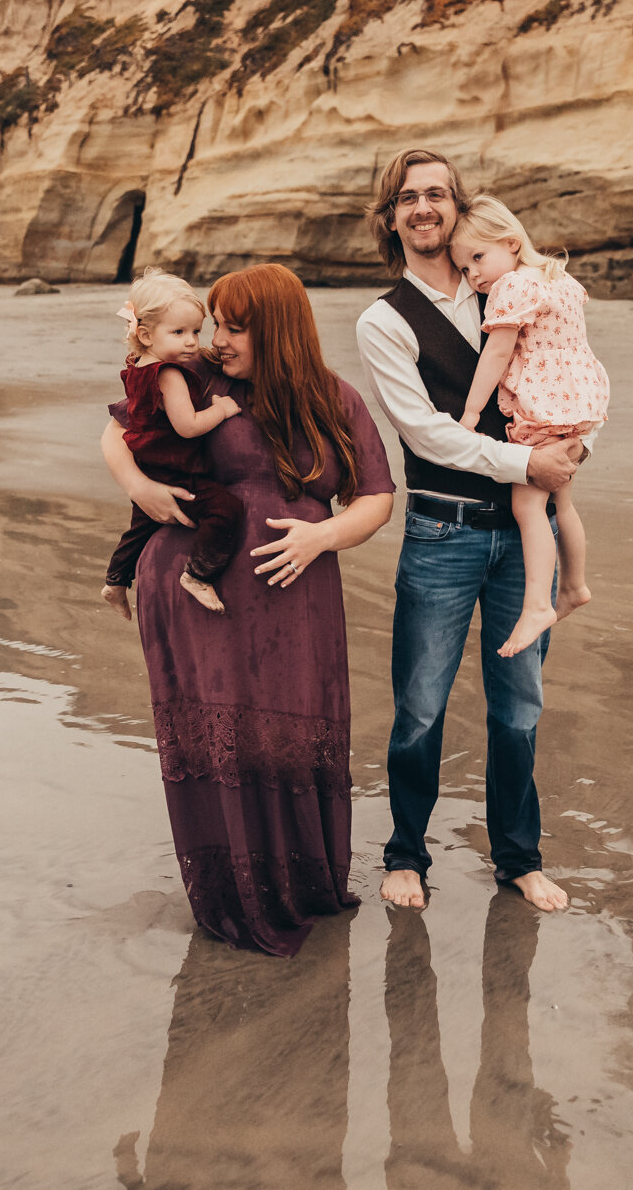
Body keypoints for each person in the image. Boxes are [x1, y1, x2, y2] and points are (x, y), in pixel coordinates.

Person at [102, 263, 396, 956]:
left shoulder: (335, 398)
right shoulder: (202, 379)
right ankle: (233, 892)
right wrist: (139, 486)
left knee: (295, 730)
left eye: (236, 327)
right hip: (197, 598)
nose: (219, 339)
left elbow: (378, 496)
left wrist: (323, 535)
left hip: (301, 601)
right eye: (218, 326)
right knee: (222, 741)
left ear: (278, 330)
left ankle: (303, 881)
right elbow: (116, 432)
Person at [353, 148, 583, 914]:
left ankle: (519, 857)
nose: (424, 207)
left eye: (438, 194)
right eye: (409, 197)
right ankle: (406, 855)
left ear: (458, 207)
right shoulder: (384, 319)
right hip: (442, 532)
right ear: (391, 216)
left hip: (527, 535)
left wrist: (575, 451)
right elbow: (424, 436)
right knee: (420, 705)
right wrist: (527, 463)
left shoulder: (510, 288)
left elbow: (569, 374)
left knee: (519, 705)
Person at [452, 195, 610, 657]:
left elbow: (498, 352)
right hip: (581, 402)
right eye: (463, 269)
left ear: (511, 242)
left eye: (478, 258)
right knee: (561, 499)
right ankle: (574, 586)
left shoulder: (513, 287)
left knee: (527, 506)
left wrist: (470, 413)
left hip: (547, 404)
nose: (474, 275)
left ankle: (539, 602)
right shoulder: (560, 280)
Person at [102, 270, 247, 617]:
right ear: (146, 334)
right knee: (225, 510)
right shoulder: (170, 374)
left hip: (148, 462)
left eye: (197, 331)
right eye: (179, 332)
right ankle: (198, 575)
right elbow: (188, 426)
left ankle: (115, 581)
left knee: (140, 528)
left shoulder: (138, 366)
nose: (193, 343)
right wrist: (222, 410)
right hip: (175, 466)